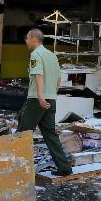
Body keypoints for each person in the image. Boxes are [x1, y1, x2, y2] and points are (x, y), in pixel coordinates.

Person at [17, 28, 72, 176]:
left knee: (22, 132)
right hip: (51, 98)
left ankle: (16, 168)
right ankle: (64, 168)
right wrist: (50, 94)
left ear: (34, 38)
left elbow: (38, 76)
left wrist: (41, 97)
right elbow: (59, 79)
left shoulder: (36, 54)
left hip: (36, 99)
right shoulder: (52, 55)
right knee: (50, 134)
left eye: (27, 38)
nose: (26, 41)